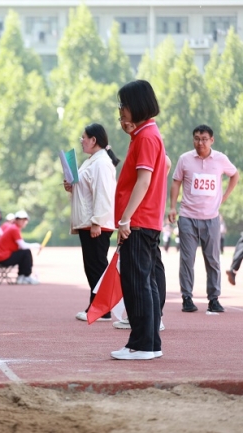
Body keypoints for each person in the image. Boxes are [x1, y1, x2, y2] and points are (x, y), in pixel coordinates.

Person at [111, 80, 166, 361]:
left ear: (137, 105)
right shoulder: (146, 134)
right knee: (146, 283)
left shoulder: (145, 137)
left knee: (137, 284)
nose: (121, 110)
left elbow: (143, 182)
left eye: (123, 104)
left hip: (139, 221)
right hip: (146, 220)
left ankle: (142, 344)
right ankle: (150, 342)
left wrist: (125, 219)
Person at [169, 124, 239, 313]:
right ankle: (187, 298)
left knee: (213, 260)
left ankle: (214, 299)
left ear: (212, 140)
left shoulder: (221, 159)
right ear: (193, 140)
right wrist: (173, 207)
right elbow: (176, 183)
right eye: (197, 139)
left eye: (204, 139)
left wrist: (223, 197)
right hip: (188, 217)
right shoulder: (184, 159)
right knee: (187, 259)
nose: (200, 142)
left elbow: (234, 175)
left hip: (211, 218)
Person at [63, 124, 119, 322]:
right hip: (89, 221)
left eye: (84, 137)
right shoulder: (92, 161)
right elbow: (87, 189)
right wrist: (72, 187)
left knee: (96, 266)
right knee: (93, 266)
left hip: (95, 223)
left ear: (94, 140)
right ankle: (97, 305)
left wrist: (97, 222)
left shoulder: (101, 163)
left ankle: (101, 308)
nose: (81, 141)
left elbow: (103, 194)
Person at [0, 210, 39, 285]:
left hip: (1, 257)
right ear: (16, 220)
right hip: (3, 258)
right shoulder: (14, 229)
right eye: (21, 219)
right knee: (26, 252)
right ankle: (26, 276)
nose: (23, 222)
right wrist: (36, 245)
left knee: (23, 253)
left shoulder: (14, 228)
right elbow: (23, 246)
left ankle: (22, 276)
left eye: (25, 220)